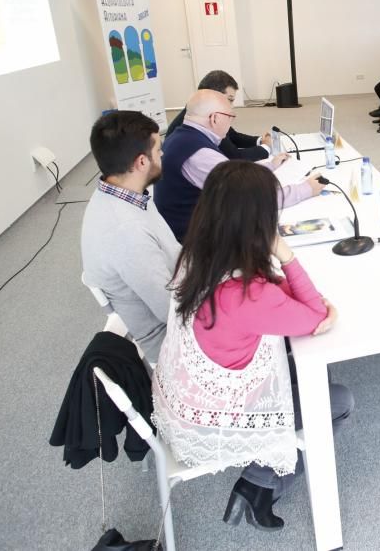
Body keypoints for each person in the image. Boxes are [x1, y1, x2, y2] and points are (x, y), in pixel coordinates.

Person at [152, 161, 353, 533]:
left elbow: (274, 291)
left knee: (297, 363)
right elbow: (314, 316)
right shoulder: (246, 294)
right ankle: (260, 482)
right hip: (209, 421)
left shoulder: (199, 253)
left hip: (183, 394)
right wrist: (286, 253)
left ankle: (260, 482)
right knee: (338, 400)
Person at [155, 90, 322, 241]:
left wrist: (271, 166)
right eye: (230, 117)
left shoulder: (182, 137)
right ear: (215, 118)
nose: (231, 122)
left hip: (192, 222)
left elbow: (232, 175)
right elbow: (251, 197)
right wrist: (307, 188)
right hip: (197, 240)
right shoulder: (199, 155)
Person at [81, 111, 180, 363]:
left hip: (181, 287)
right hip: (174, 342)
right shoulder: (127, 232)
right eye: (158, 151)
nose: (163, 155)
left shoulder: (119, 191)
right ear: (141, 162)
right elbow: (172, 312)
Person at [168, 70, 271, 162]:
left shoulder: (198, 112)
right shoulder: (205, 120)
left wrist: (260, 140)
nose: (231, 106)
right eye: (229, 100)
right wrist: (265, 148)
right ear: (214, 95)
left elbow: (232, 136)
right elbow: (233, 157)